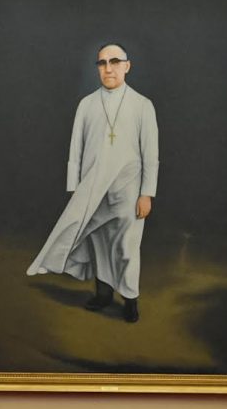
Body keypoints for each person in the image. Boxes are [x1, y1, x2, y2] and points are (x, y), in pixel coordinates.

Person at [27, 42, 159, 323]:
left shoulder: (142, 105)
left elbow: (151, 154)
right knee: (98, 244)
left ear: (127, 66)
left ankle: (130, 299)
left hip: (128, 189)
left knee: (126, 247)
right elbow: (76, 148)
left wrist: (146, 193)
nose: (108, 68)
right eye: (102, 63)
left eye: (114, 62)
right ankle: (103, 294)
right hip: (93, 187)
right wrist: (74, 188)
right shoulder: (87, 104)